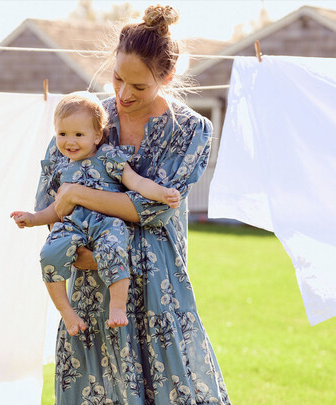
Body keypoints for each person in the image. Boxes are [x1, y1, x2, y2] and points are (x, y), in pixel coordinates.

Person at [36, 5, 231, 404]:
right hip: (94, 290)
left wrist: (78, 195)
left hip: (161, 290)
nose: (123, 94)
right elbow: (48, 196)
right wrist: (79, 251)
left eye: (139, 87)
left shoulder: (192, 130)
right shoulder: (88, 117)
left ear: (167, 77)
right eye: (117, 78)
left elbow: (152, 210)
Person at [11, 92, 180, 336]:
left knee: (113, 248)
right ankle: (67, 313)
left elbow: (137, 182)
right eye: (63, 134)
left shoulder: (109, 157)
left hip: (106, 222)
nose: (70, 141)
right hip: (72, 225)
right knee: (49, 254)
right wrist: (33, 219)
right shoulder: (62, 167)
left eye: (79, 134)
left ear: (97, 135)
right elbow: (55, 210)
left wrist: (162, 194)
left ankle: (117, 306)